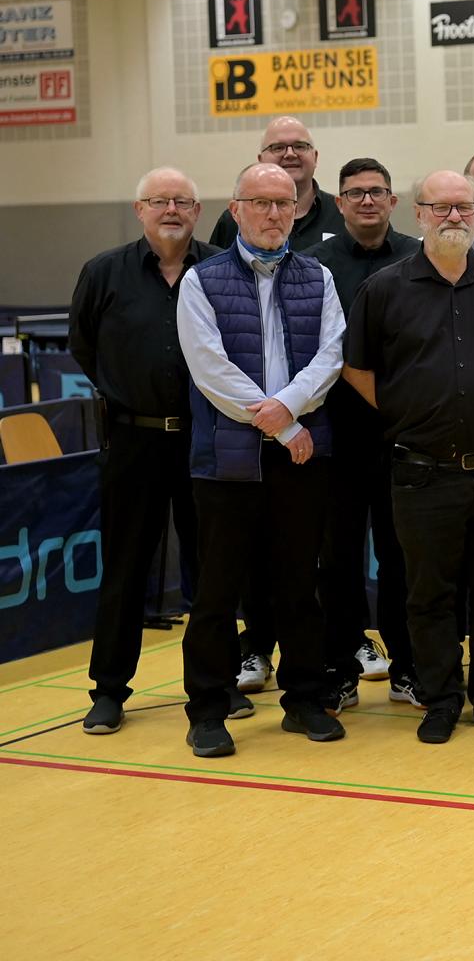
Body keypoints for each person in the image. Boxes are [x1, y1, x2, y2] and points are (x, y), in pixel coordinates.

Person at [341, 170, 474, 743]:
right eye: (442, 207)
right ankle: (441, 697)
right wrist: (406, 410)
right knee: (429, 595)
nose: (455, 216)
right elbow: (355, 366)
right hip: (422, 473)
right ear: (420, 214)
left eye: (464, 206)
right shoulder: (384, 288)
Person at [175, 161, 346, 758]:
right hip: (227, 462)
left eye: (284, 203)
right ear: (236, 209)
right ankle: (208, 710)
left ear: (297, 210)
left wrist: (290, 408)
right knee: (218, 591)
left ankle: (304, 700)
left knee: (299, 585)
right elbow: (208, 366)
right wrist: (280, 421)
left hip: (299, 460)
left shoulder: (319, 277)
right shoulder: (201, 281)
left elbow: (331, 356)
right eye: (261, 202)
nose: (274, 214)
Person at [71, 168, 220, 734]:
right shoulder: (103, 272)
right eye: (159, 200)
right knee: (125, 567)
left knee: (211, 568)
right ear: (140, 210)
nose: (171, 210)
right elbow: (83, 345)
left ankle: (218, 685)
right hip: (132, 440)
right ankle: (109, 690)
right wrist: (125, 388)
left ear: (198, 211)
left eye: (182, 200)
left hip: (205, 438)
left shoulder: (219, 269)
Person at [306, 158, 422, 709]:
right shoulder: (314, 266)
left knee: (403, 558)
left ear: (393, 201)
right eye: (356, 193)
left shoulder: (419, 258)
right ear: (340, 203)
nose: (367, 201)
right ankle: (340, 668)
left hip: (404, 438)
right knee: (339, 561)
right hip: (337, 439)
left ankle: (408, 668)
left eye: (377, 191)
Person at [208, 116, 344, 252]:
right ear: (261, 160)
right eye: (278, 148)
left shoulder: (342, 215)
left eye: (300, 146)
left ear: (315, 157)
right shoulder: (236, 218)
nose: (290, 154)